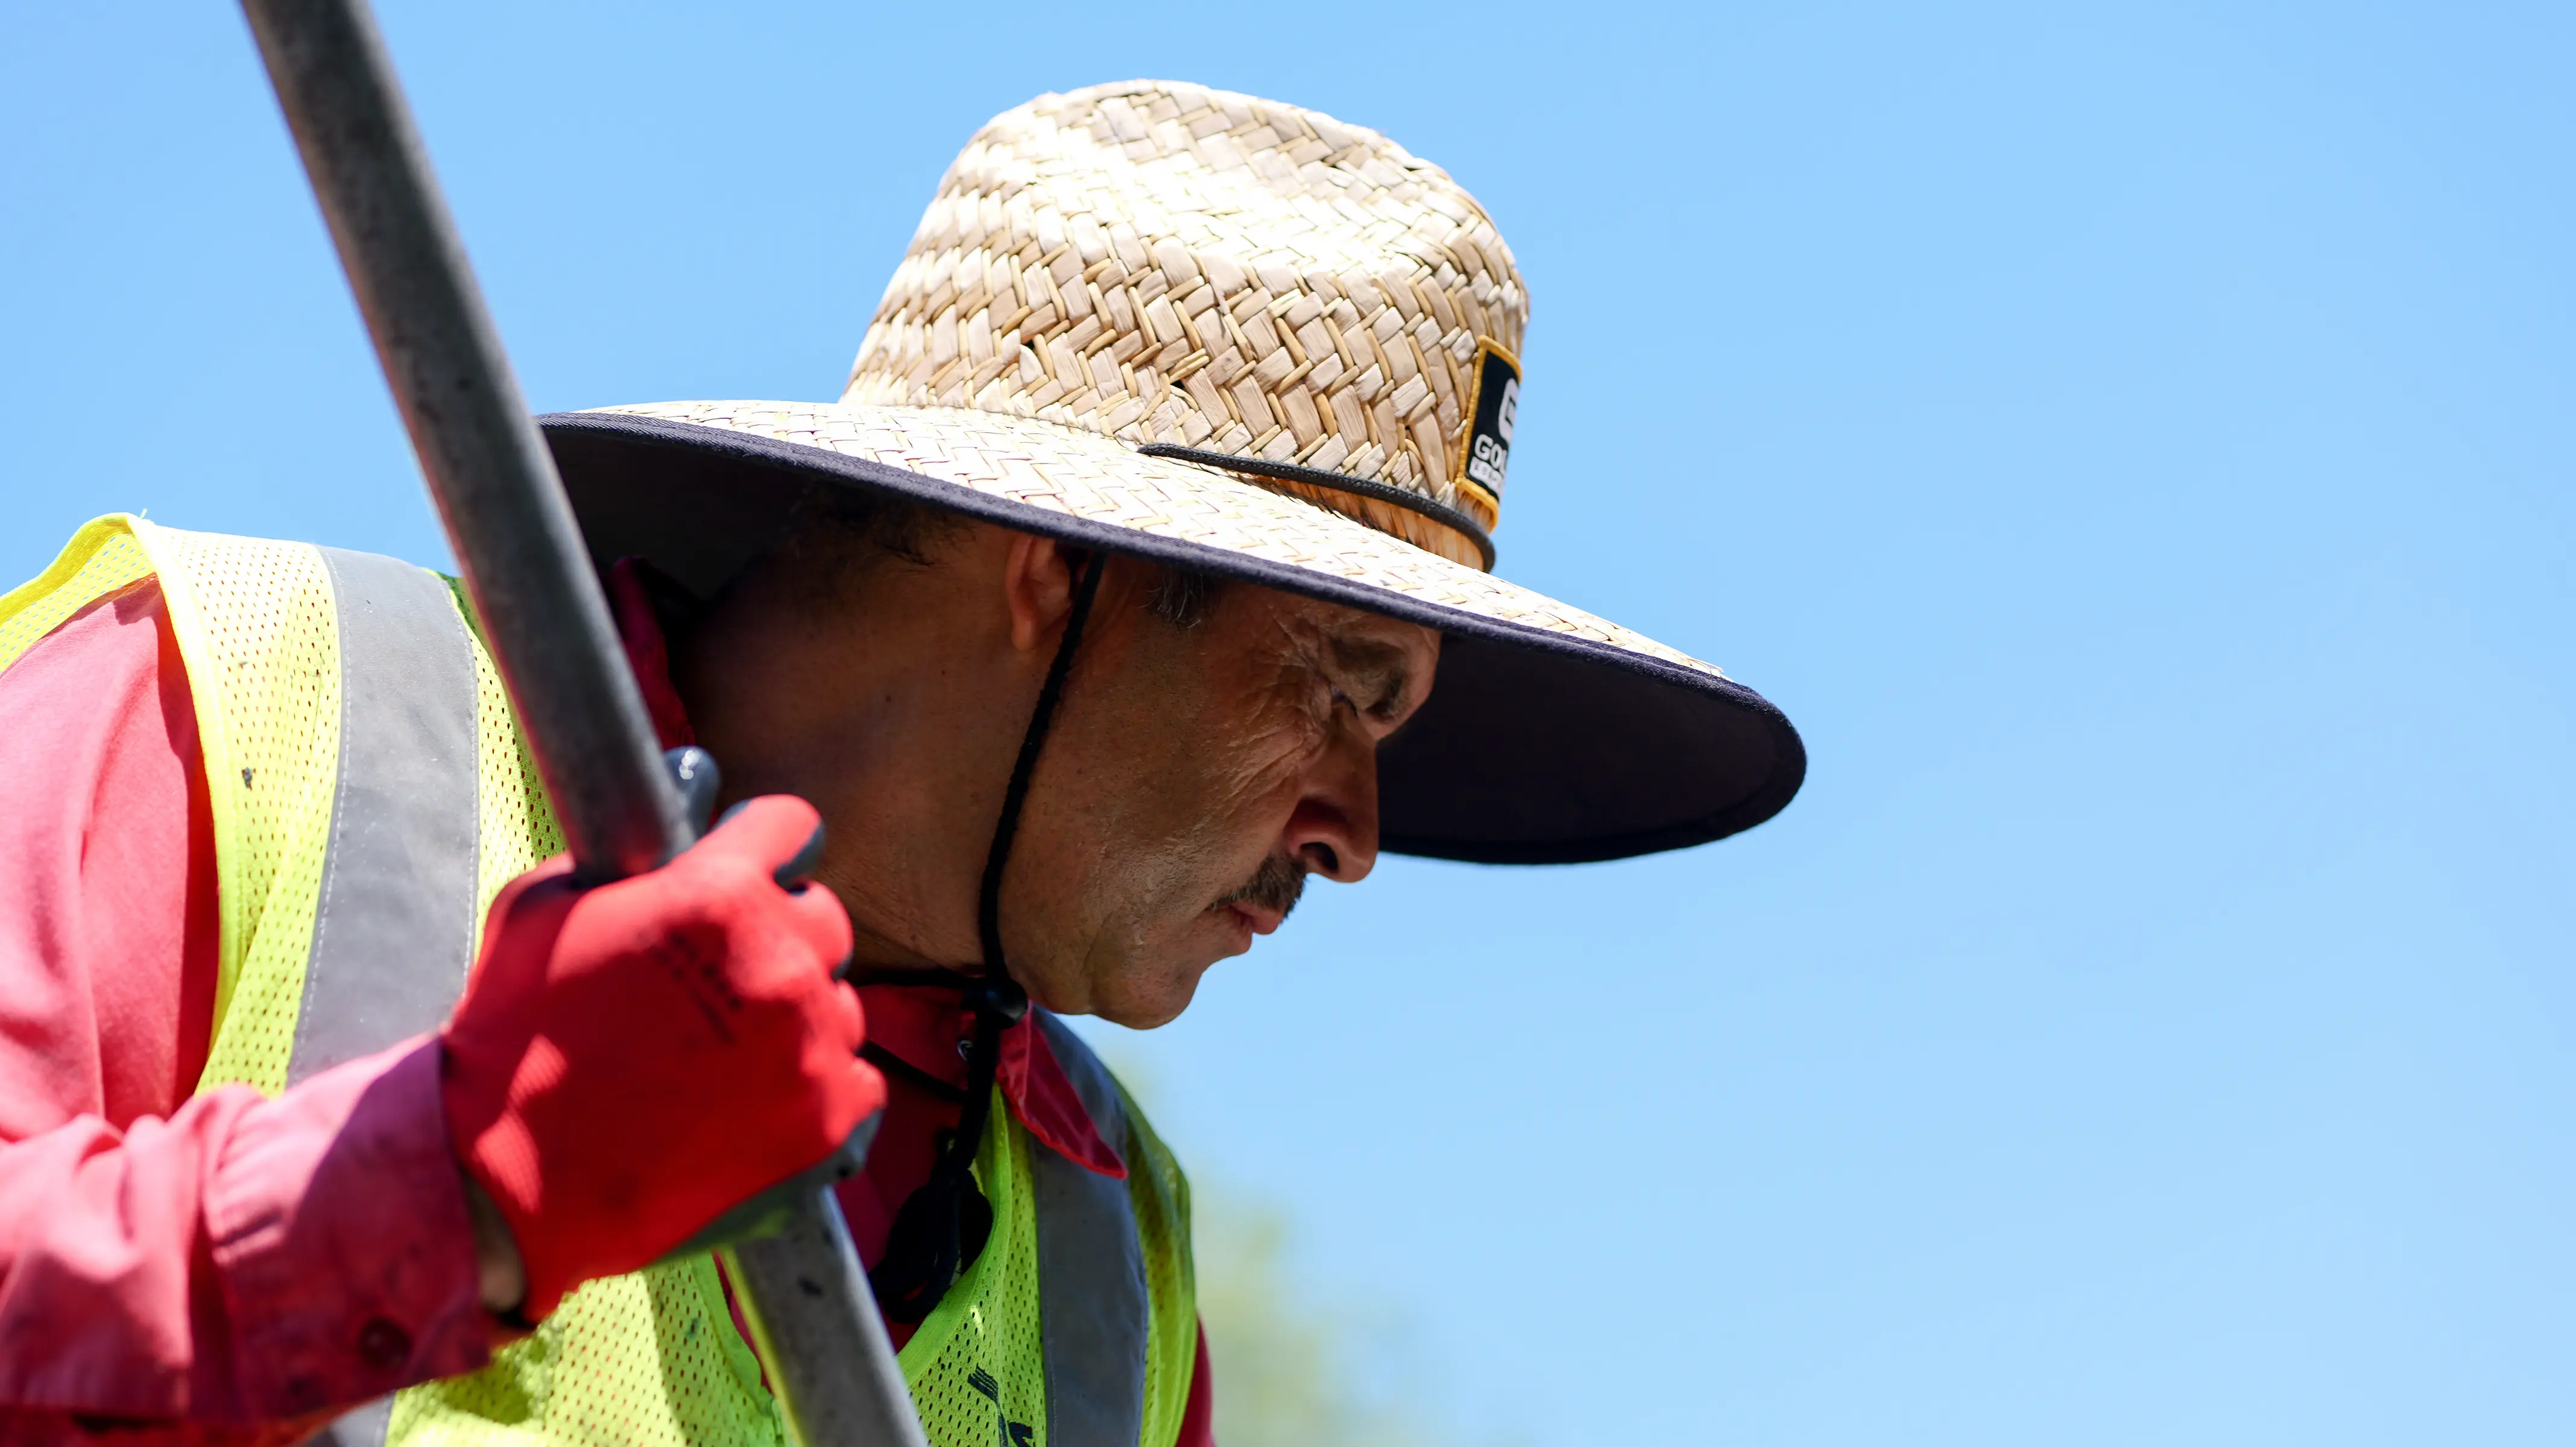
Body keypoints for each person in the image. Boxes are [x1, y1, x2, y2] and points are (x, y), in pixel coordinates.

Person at [0, 80, 1803, 1446]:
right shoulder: (236, 718)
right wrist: (451, 1186)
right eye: (1339, 682)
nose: (1355, 834)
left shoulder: (1114, 1270)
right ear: (1054, 570)